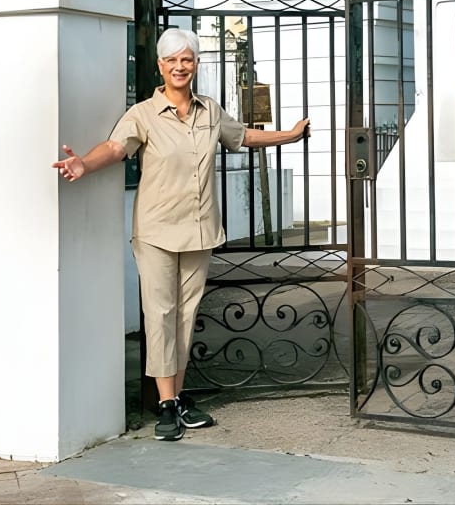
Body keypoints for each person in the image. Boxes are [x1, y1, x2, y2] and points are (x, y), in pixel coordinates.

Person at [52, 28, 310, 441]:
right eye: (171, 60)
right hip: (156, 230)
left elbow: (242, 136)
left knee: (186, 315)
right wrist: (83, 163)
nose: (179, 66)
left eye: (186, 59)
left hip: (199, 229)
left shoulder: (210, 111)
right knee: (160, 314)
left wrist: (290, 135)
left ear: (195, 64)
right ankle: (166, 404)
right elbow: (116, 148)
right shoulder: (143, 114)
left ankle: (176, 395)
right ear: (160, 66)